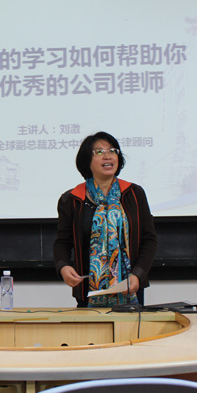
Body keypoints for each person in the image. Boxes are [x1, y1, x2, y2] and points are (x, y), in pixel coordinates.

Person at [53, 132, 157, 308]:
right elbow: (62, 242)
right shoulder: (72, 199)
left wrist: (138, 274)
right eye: (99, 152)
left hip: (130, 287)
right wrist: (63, 266)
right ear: (87, 160)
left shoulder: (134, 194)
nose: (108, 156)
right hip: (87, 289)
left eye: (112, 151)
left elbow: (149, 239)